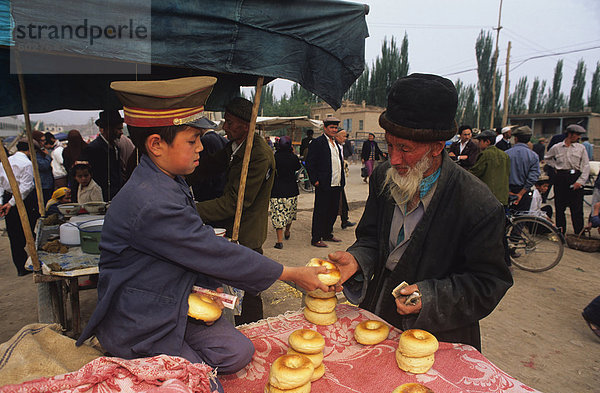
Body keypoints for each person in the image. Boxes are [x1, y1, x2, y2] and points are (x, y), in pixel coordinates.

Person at [75, 77, 331, 393]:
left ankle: (182, 354)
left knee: (239, 353)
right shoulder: (150, 199)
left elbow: (193, 246)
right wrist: (289, 272)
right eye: (192, 139)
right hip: (142, 319)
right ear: (156, 144)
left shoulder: (168, 179)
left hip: (175, 302)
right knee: (205, 385)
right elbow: (209, 251)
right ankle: (155, 359)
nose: (201, 147)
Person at [329, 73, 513, 351]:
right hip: (378, 312)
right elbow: (370, 239)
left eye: (405, 149)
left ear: (438, 147)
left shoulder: (477, 204)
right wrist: (356, 260)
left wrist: (430, 296)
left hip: (437, 335)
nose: (393, 159)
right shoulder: (383, 177)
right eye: (389, 145)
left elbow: (489, 282)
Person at [194, 97, 276, 325]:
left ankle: (254, 331)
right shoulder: (235, 145)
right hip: (230, 228)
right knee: (230, 288)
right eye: (225, 121)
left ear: (246, 125)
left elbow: (235, 203)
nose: (224, 127)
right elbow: (207, 168)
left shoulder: (257, 154)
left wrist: (190, 209)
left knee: (249, 290)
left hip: (246, 234)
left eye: (229, 123)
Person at [0, 140, 39, 276]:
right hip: (22, 201)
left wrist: (3, 202)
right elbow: (25, 187)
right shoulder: (27, 163)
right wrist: (11, 203)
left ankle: (21, 266)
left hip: (8, 198)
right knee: (30, 230)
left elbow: (1, 184)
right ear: (29, 151)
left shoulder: (6, 161)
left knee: (14, 234)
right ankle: (34, 261)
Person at [306, 117, 345, 247]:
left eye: (336, 128)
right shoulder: (318, 143)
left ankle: (327, 233)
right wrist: (315, 180)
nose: (334, 130)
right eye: (331, 128)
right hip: (323, 183)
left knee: (333, 210)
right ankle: (316, 238)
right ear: (325, 128)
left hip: (336, 183)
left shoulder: (336, 144)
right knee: (320, 211)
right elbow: (310, 163)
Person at [544, 124, 590, 234]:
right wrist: (556, 166)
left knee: (577, 209)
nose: (578, 137)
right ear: (570, 134)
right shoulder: (557, 147)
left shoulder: (581, 148)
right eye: (577, 134)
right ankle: (561, 233)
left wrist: (580, 182)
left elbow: (586, 166)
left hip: (575, 177)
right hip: (561, 178)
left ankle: (579, 233)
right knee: (559, 208)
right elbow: (547, 158)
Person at [82, 110, 124, 201]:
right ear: (108, 129)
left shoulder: (115, 147)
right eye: (118, 129)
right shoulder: (94, 149)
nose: (121, 132)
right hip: (101, 197)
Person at [269, 135, 301, 249]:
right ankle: (287, 231)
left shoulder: (274, 157)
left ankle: (279, 241)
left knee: (278, 215)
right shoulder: (293, 158)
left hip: (277, 190)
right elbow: (297, 167)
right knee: (289, 213)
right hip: (291, 190)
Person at [186, 117, 228, 202]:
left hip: (209, 191)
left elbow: (202, 168)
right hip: (222, 188)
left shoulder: (205, 141)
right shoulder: (223, 140)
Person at [470, 129, 510, 207]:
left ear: (487, 142)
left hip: (489, 197)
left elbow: (474, 173)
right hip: (503, 196)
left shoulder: (485, 154)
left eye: (480, 141)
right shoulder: (505, 155)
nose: (478, 144)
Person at [505, 126, 540, 212]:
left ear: (516, 139)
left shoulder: (506, 154)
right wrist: (520, 194)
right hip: (524, 192)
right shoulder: (533, 156)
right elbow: (533, 177)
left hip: (507, 191)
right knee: (521, 219)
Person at [334, 129, 355, 229]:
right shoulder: (333, 147)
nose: (345, 138)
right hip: (333, 180)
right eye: (343, 136)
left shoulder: (341, 146)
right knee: (336, 203)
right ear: (337, 137)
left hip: (340, 180)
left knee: (343, 202)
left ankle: (345, 220)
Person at [62, 129, 87, 199]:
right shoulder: (86, 148)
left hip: (73, 179)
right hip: (87, 180)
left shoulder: (66, 151)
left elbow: (66, 165)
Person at [33, 131, 54, 203]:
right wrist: (48, 157)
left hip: (47, 183)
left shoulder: (41, 151)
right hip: (42, 185)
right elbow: (43, 166)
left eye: (45, 140)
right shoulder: (34, 153)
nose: (44, 143)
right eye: (42, 140)